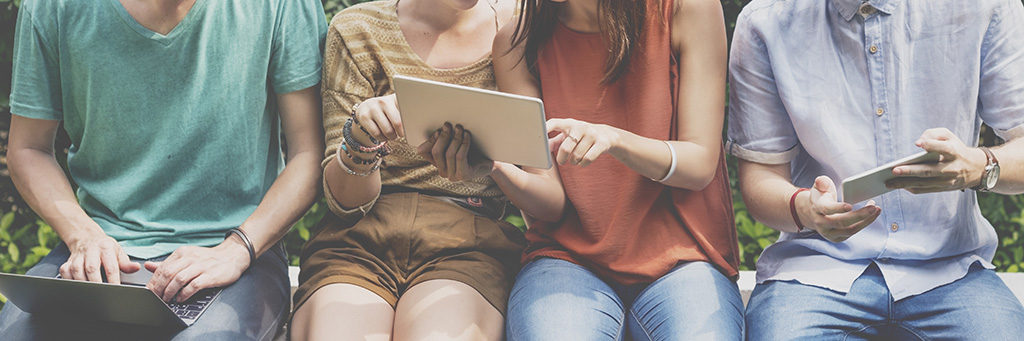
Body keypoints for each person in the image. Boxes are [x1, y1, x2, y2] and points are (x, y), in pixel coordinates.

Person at [0, 0, 326, 339]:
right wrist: (83, 235)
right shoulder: (53, 7)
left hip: (237, 252)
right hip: (101, 248)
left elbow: (310, 154)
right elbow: (28, 149)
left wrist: (236, 249)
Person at [728, 0, 1024, 339]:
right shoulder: (764, 21)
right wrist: (804, 209)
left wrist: (981, 166)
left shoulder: (985, 6)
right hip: (815, 273)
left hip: (952, 269)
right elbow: (760, 180)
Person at [288, 0, 542, 340]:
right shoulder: (357, 30)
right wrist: (361, 138)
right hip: (360, 240)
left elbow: (544, 189)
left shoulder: (522, 29)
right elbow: (345, 204)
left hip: (468, 245)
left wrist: (493, 165)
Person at [493, 0, 743, 339]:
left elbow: (699, 163)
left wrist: (615, 140)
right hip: (566, 260)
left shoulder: (687, 9)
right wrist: (493, 166)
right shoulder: (516, 41)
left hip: (684, 258)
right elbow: (549, 204)